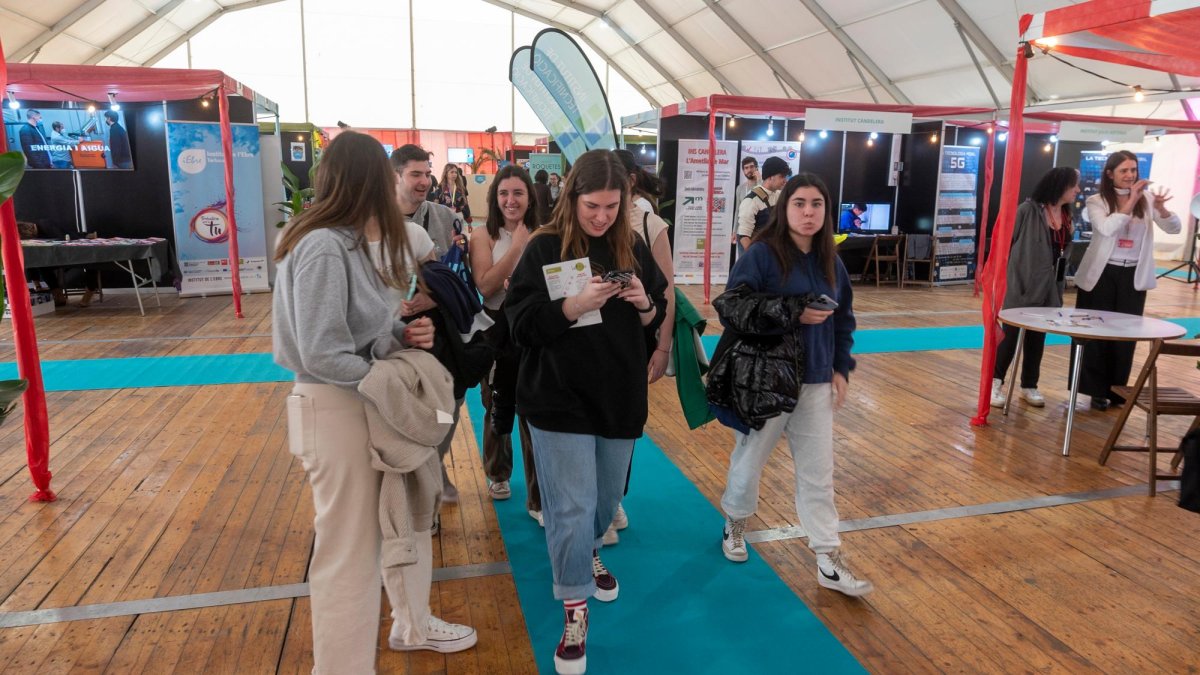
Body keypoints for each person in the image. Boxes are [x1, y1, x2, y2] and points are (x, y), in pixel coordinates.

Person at [272, 131, 476, 674]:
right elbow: (320, 350)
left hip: (350, 401)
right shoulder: (321, 245)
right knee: (347, 555)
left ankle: (388, 638)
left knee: (368, 542)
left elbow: (354, 334)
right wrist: (382, 377)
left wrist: (397, 339)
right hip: (336, 405)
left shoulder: (345, 242)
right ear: (367, 181)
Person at [505, 149, 667, 675]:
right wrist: (576, 305)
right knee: (570, 506)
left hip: (617, 394)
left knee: (603, 502)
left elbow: (656, 314)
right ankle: (574, 610)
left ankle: (588, 551)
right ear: (571, 197)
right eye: (593, 206)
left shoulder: (634, 244)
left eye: (612, 207)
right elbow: (521, 326)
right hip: (556, 397)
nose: (602, 217)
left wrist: (643, 303)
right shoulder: (545, 247)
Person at [714, 172, 873, 598]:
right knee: (749, 461)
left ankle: (827, 556)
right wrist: (791, 311)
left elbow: (844, 318)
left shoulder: (831, 261)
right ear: (785, 209)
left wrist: (840, 367)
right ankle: (734, 522)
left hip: (817, 382)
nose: (808, 212)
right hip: (767, 381)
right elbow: (732, 305)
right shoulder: (763, 255)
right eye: (799, 203)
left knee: (819, 474)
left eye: (816, 204)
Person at [601, 148, 676, 546]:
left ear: (629, 182)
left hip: (635, 343)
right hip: (594, 347)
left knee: (624, 426)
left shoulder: (650, 224)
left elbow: (667, 290)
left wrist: (662, 346)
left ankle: (613, 499)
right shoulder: (587, 222)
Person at [1071, 150, 1181, 410]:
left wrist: (1162, 209)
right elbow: (1108, 228)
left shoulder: (1149, 198)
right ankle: (1094, 390)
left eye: (1133, 170)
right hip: (1101, 274)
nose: (1130, 175)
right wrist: (1130, 201)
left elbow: (1174, 229)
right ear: (1110, 174)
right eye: (1124, 171)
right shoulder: (1097, 200)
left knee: (1126, 335)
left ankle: (1118, 390)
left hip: (1132, 275)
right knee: (1095, 333)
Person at [390, 144, 469, 499]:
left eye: (427, 174)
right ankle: (416, 484)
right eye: (415, 174)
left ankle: (434, 467)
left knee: (449, 403)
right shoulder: (372, 223)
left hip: (441, 331)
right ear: (395, 177)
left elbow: (462, 277)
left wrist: (432, 297)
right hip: (390, 336)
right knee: (403, 411)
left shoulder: (444, 218)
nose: (424, 181)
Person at [469, 164, 542, 519]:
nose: (510, 201)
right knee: (494, 400)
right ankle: (497, 472)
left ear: (530, 197)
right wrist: (517, 248)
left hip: (532, 327)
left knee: (533, 407)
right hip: (494, 327)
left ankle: (538, 493)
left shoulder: (545, 232)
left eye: (517, 193)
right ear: (495, 197)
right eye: (504, 193)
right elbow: (485, 285)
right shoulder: (483, 235)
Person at [990, 167, 1080, 409]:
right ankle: (995, 383)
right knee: (1009, 336)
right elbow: (1005, 244)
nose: (1077, 190)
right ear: (1060, 185)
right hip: (1021, 285)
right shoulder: (1027, 211)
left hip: (1051, 288)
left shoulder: (1067, 216)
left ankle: (1029, 384)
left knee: (1037, 337)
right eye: (1074, 185)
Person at [736, 156, 791, 251]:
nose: (785, 180)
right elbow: (744, 237)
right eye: (782, 176)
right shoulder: (751, 201)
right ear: (770, 177)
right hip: (760, 253)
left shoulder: (779, 195)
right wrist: (757, 259)